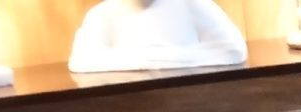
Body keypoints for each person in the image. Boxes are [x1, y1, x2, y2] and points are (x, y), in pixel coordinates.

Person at [68, 0, 246, 73]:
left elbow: (234, 51)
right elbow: (82, 61)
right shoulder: (102, 14)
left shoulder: (191, 4)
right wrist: (175, 57)